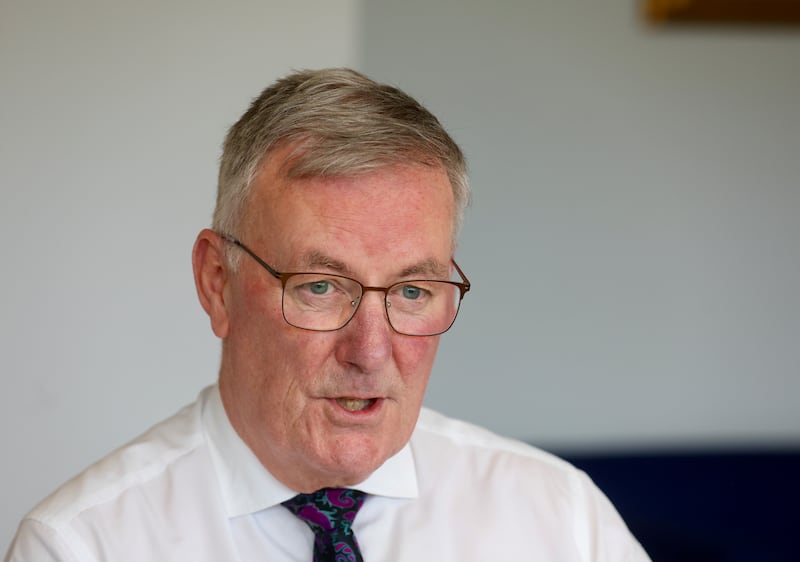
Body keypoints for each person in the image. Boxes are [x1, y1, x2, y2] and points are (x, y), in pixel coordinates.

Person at [5, 68, 650, 561]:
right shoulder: (81, 545)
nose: (370, 351)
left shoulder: (560, 522)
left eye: (413, 291)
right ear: (216, 283)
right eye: (320, 287)